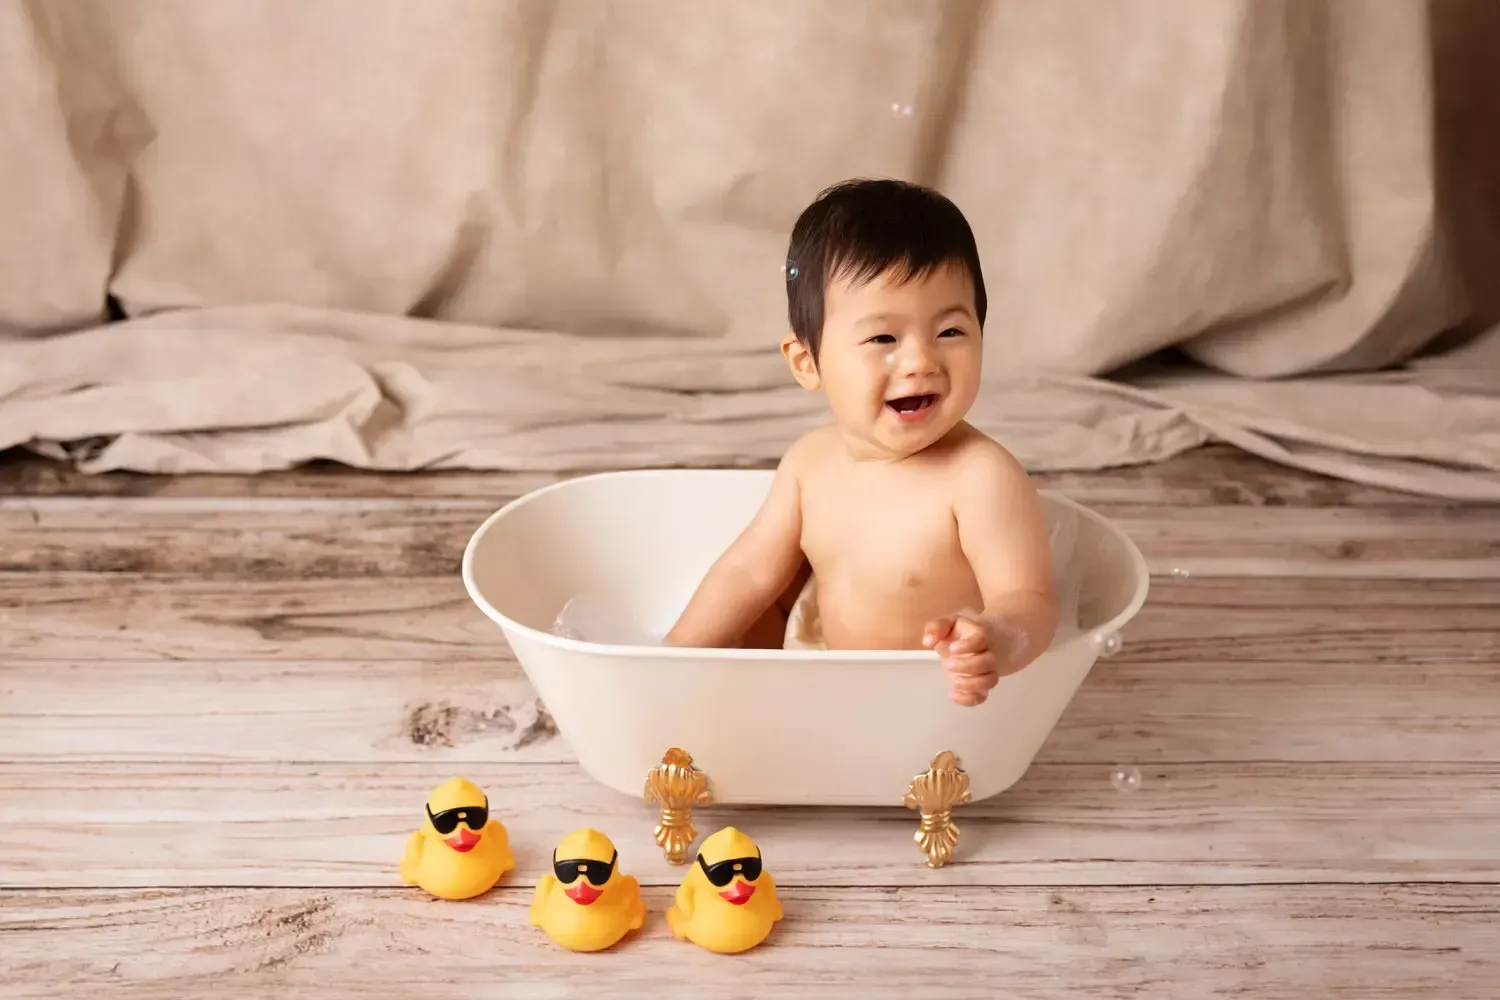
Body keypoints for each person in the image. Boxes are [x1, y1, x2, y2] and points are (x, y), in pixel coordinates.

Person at [664, 178, 1058, 707]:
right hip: (822, 667)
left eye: (950, 332)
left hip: (927, 697)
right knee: (759, 600)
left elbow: (1030, 601)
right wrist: (667, 660)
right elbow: (748, 570)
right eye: (883, 339)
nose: (921, 361)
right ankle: (692, 689)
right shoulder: (809, 462)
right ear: (809, 363)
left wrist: (998, 640)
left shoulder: (980, 477)